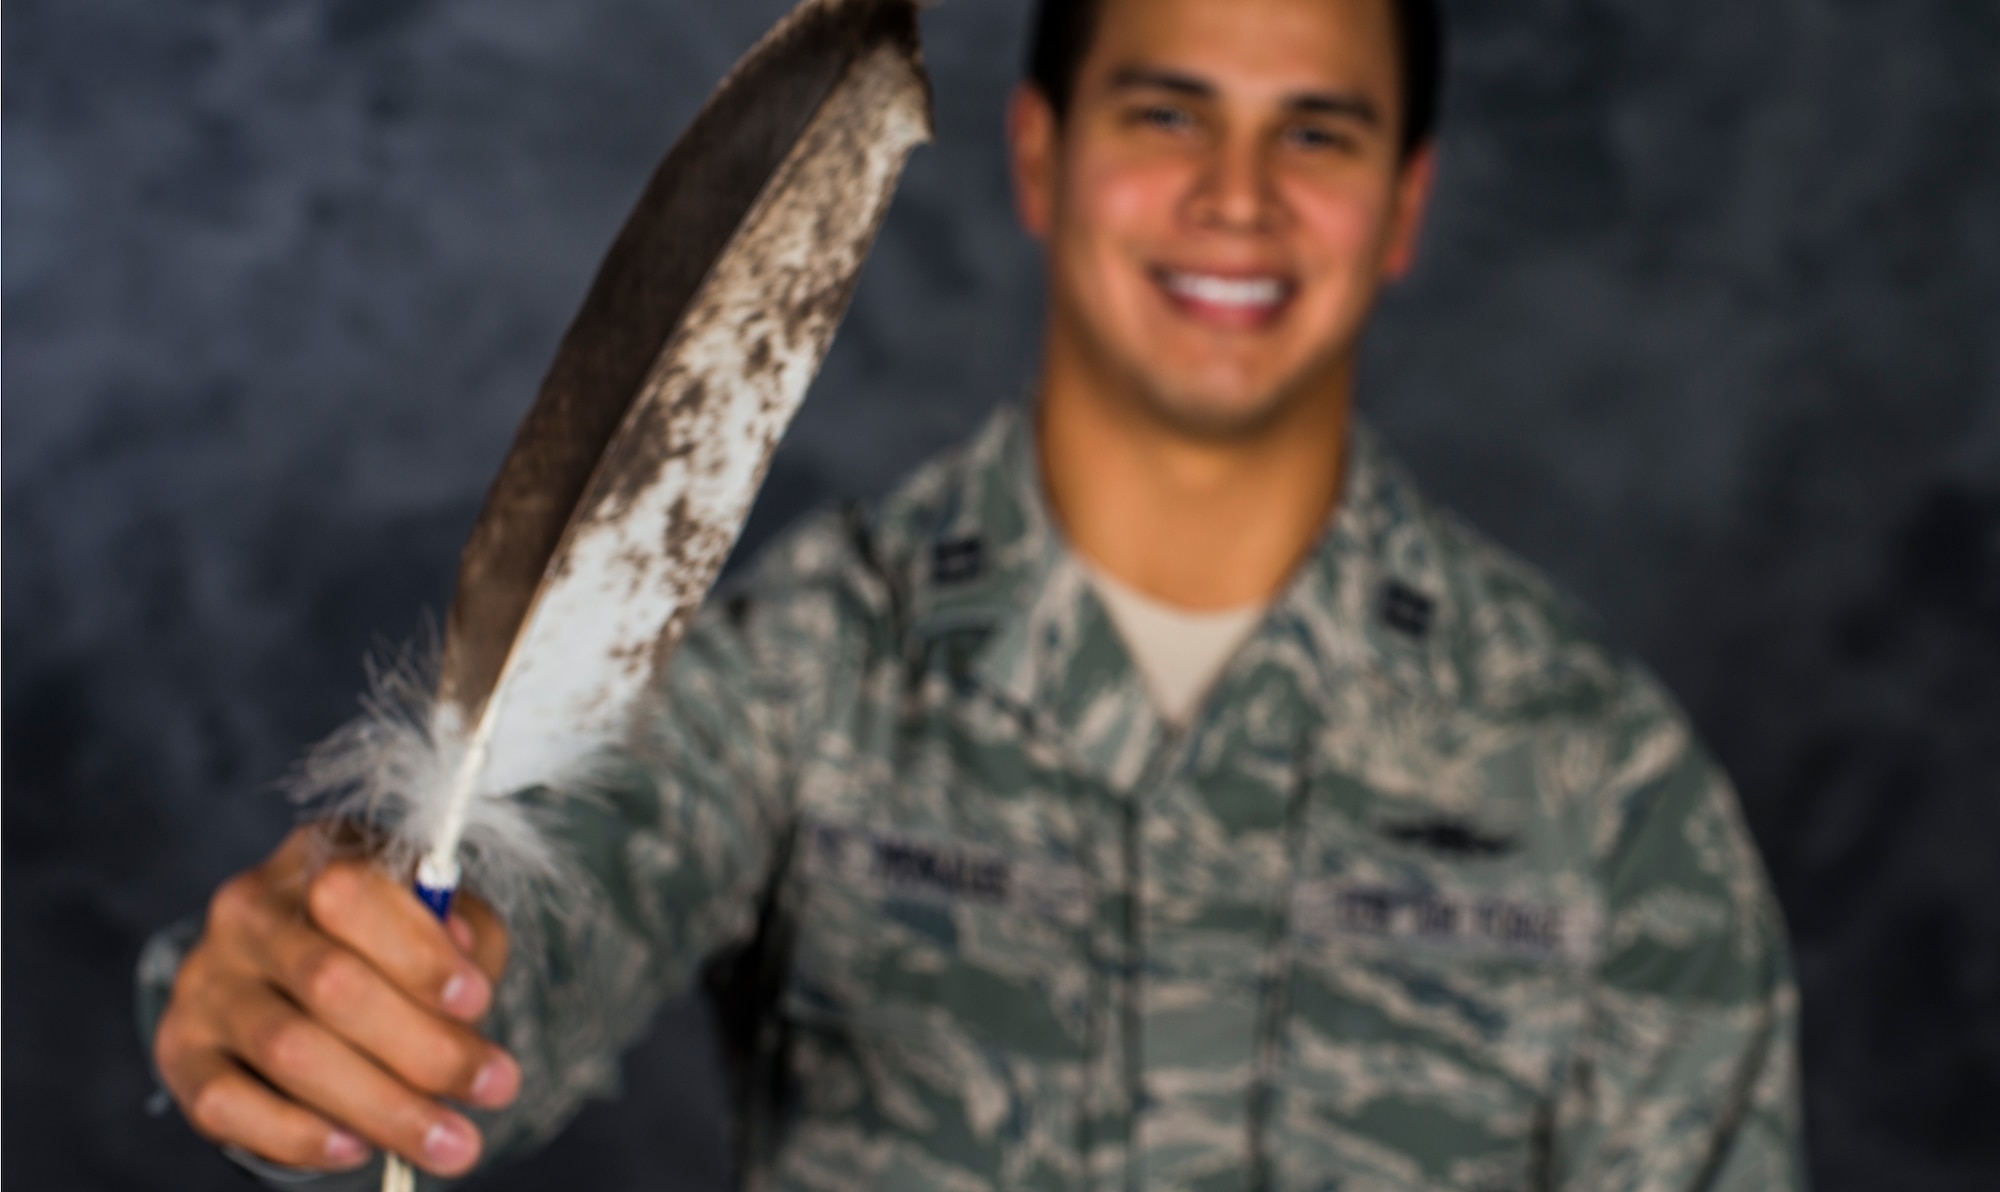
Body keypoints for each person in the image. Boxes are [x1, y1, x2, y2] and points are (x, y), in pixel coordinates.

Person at [140, 0, 1808, 1187]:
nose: (1238, 195)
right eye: (1168, 111)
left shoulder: (1601, 776)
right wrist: (328, 1009)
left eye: (1318, 129)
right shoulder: (806, 673)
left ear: (1405, 206)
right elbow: (518, 951)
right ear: (1037, 155)